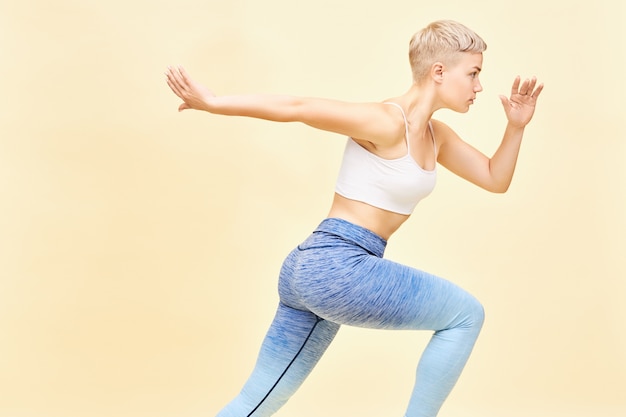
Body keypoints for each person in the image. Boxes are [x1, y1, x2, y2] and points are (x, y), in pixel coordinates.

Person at [165, 19, 543, 417]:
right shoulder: (386, 121)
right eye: (473, 73)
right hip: (338, 265)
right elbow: (301, 108)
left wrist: (516, 127)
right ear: (438, 72)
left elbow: (493, 178)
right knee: (466, 315)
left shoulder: (438, 135)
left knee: (256, 401)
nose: (479, 86)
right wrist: (215, 103)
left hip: (311, 268)